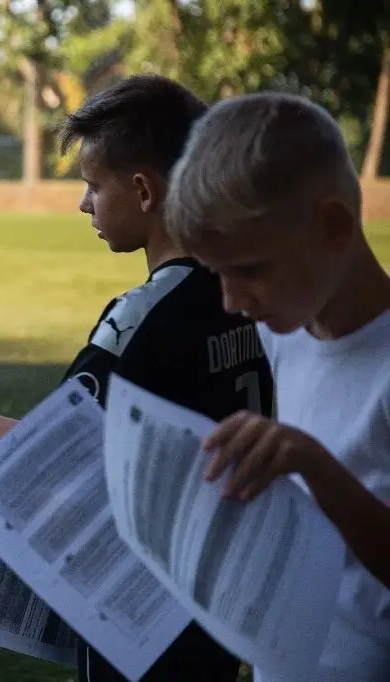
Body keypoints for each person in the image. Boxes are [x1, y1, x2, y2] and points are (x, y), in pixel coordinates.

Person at [0, 74, 274, 681]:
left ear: (142, 189)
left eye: (92, 185)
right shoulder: (248, 293)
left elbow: (46, 453)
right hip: (218, 595)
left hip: (141, 605)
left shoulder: (143, 315)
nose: (85, 204)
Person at [164, 91, 390, 681]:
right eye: (218, 274)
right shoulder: (286, 332)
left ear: (333, 224)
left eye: (250, 270)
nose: (233, 302)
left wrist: (312, 463)